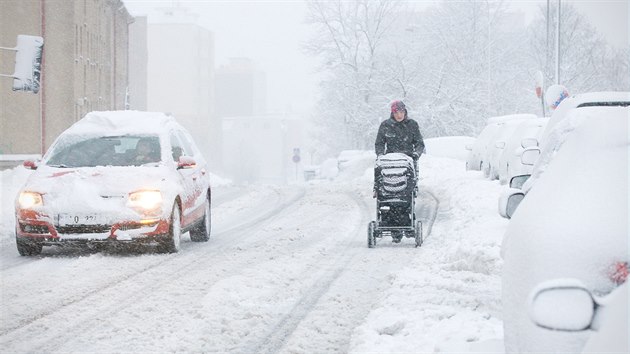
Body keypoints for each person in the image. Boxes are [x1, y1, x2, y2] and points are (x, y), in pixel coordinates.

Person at [375, 100, 425, 170]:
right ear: (392, 113)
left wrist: (416, 154)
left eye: (401, 112)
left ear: (405, 112)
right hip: (390, 160)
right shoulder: (385, 125)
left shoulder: (412, 124)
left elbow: (419, 143)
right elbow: (379, 143)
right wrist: (380, 154)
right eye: (396, 112)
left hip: (409, 160)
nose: (399, 115)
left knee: (410, 180)